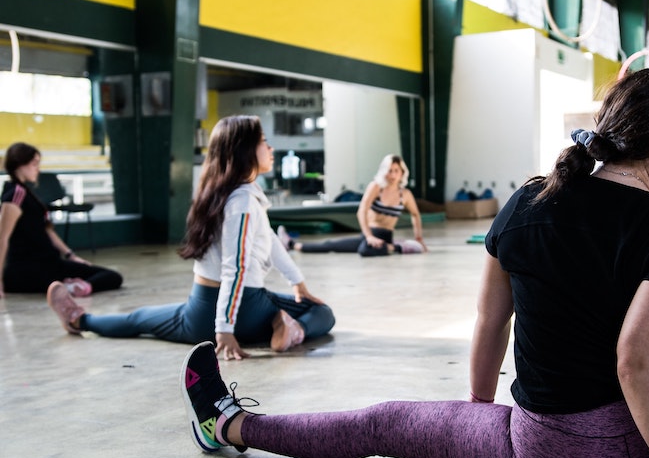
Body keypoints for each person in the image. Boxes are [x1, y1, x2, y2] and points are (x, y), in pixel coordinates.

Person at [179, 69, 649, 458]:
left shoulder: (531, 200)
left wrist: (481, 411)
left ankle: (228, 425)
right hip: (647, 448)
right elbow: (641, 370)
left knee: (384, 423)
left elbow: (493, 318)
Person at [46, 115, 335, 359]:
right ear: (245, 149)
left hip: (202, 309)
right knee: (322, 314)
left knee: (139, 318)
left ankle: (79, 319)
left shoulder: (220, 196)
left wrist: (297, 283)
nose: (270, 148)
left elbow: (269, 240)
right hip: (243, 309)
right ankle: (291, 329)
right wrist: (224, 328)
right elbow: (236, 268)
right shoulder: (243, 202)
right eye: (263, 141)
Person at [0, 142, 123, 298]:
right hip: (27, 269)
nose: (38, 169)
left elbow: (47, 230)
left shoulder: (27, 193)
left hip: (49, 264)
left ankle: (80, 287)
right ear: (20, 164)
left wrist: (71, 256)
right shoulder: (15, 195)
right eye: (34, 164)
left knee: (111, 276)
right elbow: (2, 238)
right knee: (108, 277)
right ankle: (71, 288)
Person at [277, 154, 427, 257]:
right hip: (368, 234)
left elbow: (415, 214)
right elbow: (362, 210)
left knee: (365, 250)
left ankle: (395, 247)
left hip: (385, 237)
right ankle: (290, 244)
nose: (393, 175)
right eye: (390, 171)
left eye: (396, 171)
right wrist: (369, 236)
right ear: (384, 172)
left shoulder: (405, 194)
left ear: (402, 173)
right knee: (332, 245)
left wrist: (419, 237)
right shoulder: (376, 187)